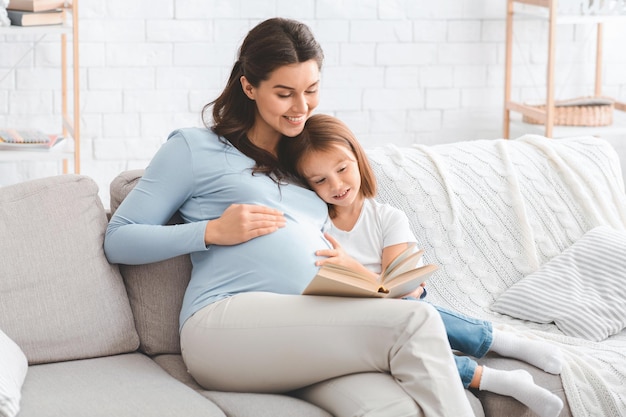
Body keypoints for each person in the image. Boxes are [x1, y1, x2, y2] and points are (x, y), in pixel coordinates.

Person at [104, 17, 475, 417]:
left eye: (311, 91)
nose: (301, 108)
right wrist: (210, 231)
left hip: (309, 332)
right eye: (284, 94)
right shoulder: (193, 148)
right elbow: (119, 238)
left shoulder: (305, 161)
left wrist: (357, 275)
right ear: (249, 87)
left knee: (396, 407)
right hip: (226, 327)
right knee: (414, 322)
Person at [278, 114, 566, 417]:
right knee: (405, 349)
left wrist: (351, 267)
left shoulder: (387, 218)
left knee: (412, 311)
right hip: (362, 321)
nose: (336, 184)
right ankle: (500, 380)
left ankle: (503, 342)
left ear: (358, 160)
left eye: (342, 169)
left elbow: (396, 284)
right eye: (320, 180)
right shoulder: (315, 224)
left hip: (401, 304)